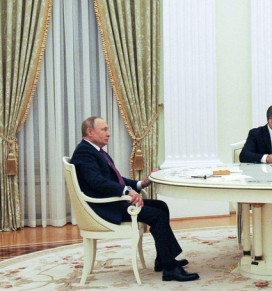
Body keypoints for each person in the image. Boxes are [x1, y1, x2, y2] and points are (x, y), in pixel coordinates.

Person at [70, 116, 199, 282]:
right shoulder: (84, 152)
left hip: (113, 202)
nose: (108, 134)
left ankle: (163, 259)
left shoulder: (95, 151)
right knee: (157, 215)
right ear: (90, 132)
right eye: (104, 129)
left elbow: (114, 179)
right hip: (106, 207)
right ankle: (170, 269)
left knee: (160, 206)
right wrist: (127, 190)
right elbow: (97, 182)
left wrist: (141, 183)